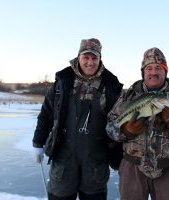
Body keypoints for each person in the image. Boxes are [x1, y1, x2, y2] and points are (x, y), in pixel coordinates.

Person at [32, 38, 123, 200]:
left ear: (100, 59)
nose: (90, 62)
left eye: (94, 58)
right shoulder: (63, 82)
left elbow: (119, 123)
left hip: (96, 159)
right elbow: (46, 113)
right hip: (63, 158)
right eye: (86, 57)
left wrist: (118, 155)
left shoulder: (111, 85)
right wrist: (38, 143)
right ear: (78, 57)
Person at [106, 47, 169, 200]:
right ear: (143, 72)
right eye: (148, 68)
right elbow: (110, 128)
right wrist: (125, 131)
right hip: (132, 167)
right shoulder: (128, 95)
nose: (153, 72)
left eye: (159, 68)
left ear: (165, 71)